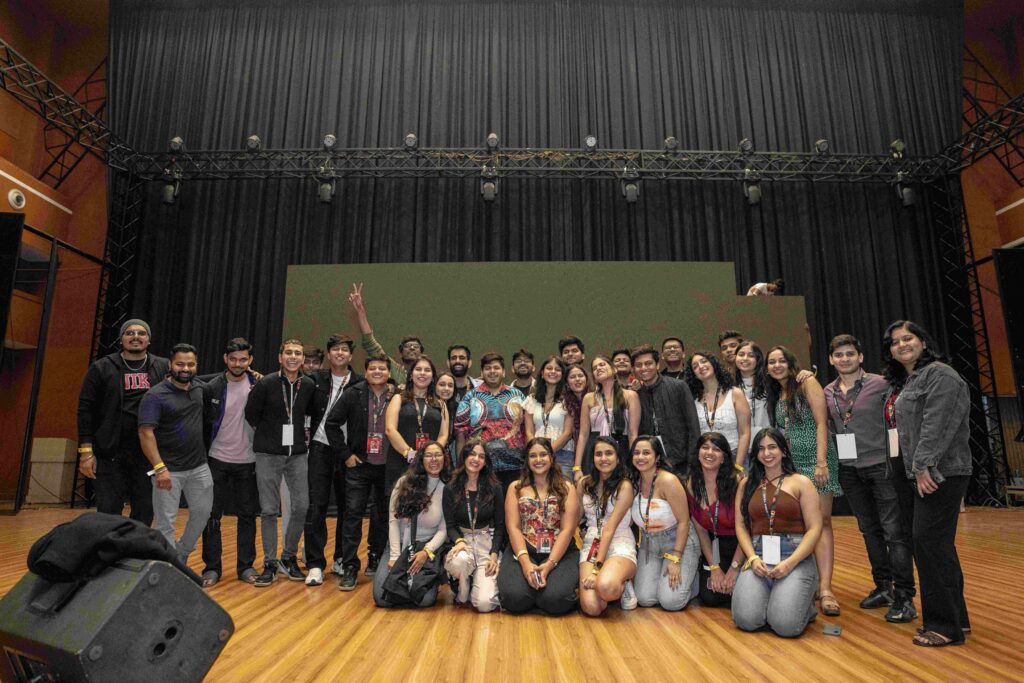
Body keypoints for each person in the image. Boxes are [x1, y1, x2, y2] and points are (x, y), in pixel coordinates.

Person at [884, 320, 971, 647]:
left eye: (908, 338)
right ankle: (957, 619)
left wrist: (923, 466)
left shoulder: (940, 375)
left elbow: (937, 424)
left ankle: (944, 627)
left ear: (923, 341)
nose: (901, 345)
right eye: (895, 342)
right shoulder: (909, 381)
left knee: (929, 544)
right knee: (937, 547)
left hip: (939, 472)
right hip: (916, 472)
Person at [824, 334, 916, 623]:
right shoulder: (827, 392)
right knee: (869, 530)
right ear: (831, 360)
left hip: (882, 467)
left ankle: (904, 596)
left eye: (850, 353)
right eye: (839, 355)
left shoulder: (882, 383)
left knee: (894, 532)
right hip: (849, 469)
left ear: (860, 356)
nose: (845, 359)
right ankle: (883, 587)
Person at [766, 345, 842, 617]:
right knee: (801, 524)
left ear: (790, 363)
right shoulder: (777, 392)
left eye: (781, 360)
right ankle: (808, 581)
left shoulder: (807, 382)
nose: (776, 365)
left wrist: (821, 462)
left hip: (816, 460)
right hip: (792, 465)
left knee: (822, 522)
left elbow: (822, 423)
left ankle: (826, 589)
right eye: (771, 362)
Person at [732, 428, 823, 637]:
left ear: (783, 450)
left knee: (785, 626)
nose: (767, 453)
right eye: (761, 448)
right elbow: (741, 526)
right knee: (746, 620)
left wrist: (790, 563)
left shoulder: (801, 482)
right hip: (759, 556)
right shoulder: (746, 484)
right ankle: (778, 602)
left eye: (772, 447)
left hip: (795, 557)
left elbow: (815, 528)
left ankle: (804, 606)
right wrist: (752, 558)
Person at [77, 318, 168, 525]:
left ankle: (136, 546)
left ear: (149, 340)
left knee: (145, 512)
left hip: (147, 454)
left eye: (141, 333)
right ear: (121, 339)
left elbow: (188, 385)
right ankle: (110, 547)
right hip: (110, 452)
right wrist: (86, 452)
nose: (135, 337)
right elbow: (85, 410)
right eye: (129, 333)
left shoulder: (163, 367)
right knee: (108, 513)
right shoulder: (102, 367)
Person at [244, 338, 316, 586]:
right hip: (268, 454)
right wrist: (270, 436)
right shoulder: (266, 383)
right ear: (280, 357)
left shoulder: (308, 385)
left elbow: (311, 414)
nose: (293, 357)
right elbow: (251, 414)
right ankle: (269, 563)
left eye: (298, 353)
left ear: (302, 359)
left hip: (297, 455)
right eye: (289, 353)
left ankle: (288, 556)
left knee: (301, 506)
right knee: (268, 510)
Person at [137, 343, 212, 564]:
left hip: (199, 468)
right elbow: (145, 433)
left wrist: (252, 373)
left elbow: (222, 378)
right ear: (170, 365)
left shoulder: (200, 389)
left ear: (196, 365)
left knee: (203, 514)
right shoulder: (155, 395)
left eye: (190, 364)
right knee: (165, 523)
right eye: (180, 364)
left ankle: (181, 552)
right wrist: (159, 468)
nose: (185, 368)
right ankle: (171, 568)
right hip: (167, 470)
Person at [325, 354, 394, 590]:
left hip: (387, 467)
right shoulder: (353, 393)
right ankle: (350, 566)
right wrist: (345, 454)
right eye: (372, 368)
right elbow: (331, 424)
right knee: (352, 516)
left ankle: (377, 557)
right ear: (365, 372)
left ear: (389, 373)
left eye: (382, 368)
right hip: (359, 466)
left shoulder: (396, 396)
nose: (377, 372)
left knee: (383, 516)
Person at [200, 337, 260, 587]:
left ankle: (246, 566)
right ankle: (212, 567)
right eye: (233, 359)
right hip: (216, 460)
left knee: (247, 516)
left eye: (243, 359)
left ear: (250, 360)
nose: (237, 364)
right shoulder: (211, 387)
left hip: (249, 461)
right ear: (225, 359)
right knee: (211, 516)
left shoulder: (259, 385)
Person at [497, 437, 580, 615]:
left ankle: (541, 594)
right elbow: (513, 527)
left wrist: (549, 565)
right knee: (513, 599)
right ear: (527, 460)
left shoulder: (567, 488)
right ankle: (533, 592)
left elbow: (567, 530)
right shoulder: (515, 488)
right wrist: (526, 564)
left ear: (551, 458)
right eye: (533, 456)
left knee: (556, 600)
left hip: (559, 551)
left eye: (543, 454)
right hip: (524, 549)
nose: (538, 459)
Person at [303, 333, 362, 586]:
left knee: (347, 510)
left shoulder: (360, 383)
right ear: (328, 354)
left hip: (348, 453)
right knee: (316, 507)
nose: (340, 353)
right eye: (335, 349)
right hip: (320, 448)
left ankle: (341, 558)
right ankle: (315, 564)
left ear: (351, 355)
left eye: (344, 349)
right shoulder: (315, 380)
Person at [372, 441, 448, 608]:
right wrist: (394, 556)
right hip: (399, 545)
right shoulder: (403, 483)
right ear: (421, 459)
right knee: (381, 598)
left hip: (425, 548)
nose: (434, 459)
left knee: (425, 601)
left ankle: (430, 580)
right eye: (429, 455)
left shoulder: (447, 489)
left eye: (438, 455)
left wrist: (427, 552)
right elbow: (393, 522)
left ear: (444, 458)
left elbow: (443, 530)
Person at [630, 435, 699, 610]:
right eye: (636, 453)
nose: (640, 457)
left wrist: (676, 558)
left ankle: (692, 576)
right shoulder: (634, 481)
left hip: (677, 542)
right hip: (649, 544)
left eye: (646, 453)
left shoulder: (668, 480)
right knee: (644, 599)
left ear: (657, 457)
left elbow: (684, 522)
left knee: (671, 602)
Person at [443, 440, 505, 612]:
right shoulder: (451, 488)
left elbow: (500, 526)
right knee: (460, 560)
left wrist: (494, 553)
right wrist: (459, 541)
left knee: (484, 605)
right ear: (464, 457)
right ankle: (463, 586)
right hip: (462, 543)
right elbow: (450, 525)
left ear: (485, 462)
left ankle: (476, 584)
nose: (476, 459)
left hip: (486, 543)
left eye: (481, 456)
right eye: (472, 454)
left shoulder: (495, 488)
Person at [578, 437, 637, 616]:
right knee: (591, 607)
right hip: (592, 543)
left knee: (606, 587)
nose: (603, 458)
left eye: (609, 453)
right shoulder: (584, 483)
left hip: (619, 540)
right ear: (593, 458)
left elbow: (610, 528)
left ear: (618, 458)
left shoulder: (625, 485)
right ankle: (608, 581)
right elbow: (574, 518)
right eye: (599, 454)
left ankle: (623, 582)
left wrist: (596, 569)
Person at [454, 352, 527, 492]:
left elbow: (527, 429)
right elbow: (460, 433)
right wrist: (461, 465)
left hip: (515, 465)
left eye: (496, 368)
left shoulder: (517, 395)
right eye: (487, 368)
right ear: (481, 372)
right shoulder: (470, 397)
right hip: (480, 465)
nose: (492, 371)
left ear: (503, 372)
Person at [687, 432, 743, 607]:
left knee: (738, 596)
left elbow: (747, 530)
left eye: (716, 449)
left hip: (740, 545)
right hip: (713, 545)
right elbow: (701, 531)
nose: (709, 453)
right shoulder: (692, 483)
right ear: (698, 453)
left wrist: (734, 568)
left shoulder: (738, 482)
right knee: (711, 597)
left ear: (724, 457)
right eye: (705, 447)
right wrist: (714, 567)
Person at [384, 355, 449, 498]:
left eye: (427, 370)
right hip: (401, 461)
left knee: (428, 505)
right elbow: (390, 429)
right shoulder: (398, 398)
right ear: (411, 374)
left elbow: (443, 435)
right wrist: (409, 454)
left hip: (430, 465)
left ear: (433, 377)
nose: (422, 373)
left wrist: (432, 455)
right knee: (399, 505)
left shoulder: (441, 404)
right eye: (418, 369)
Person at [632, 344, 701, 476]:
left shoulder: (678, 386)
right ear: (634, 369)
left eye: (648, 363)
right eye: (639, 365)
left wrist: (692, 466)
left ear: (657, 365)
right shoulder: (636, 395)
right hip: (650, 465)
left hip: (681, 464)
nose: (644, 368)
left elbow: (693, 428)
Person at [574, 355, 640, 480]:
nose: (598, 368)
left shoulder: (630, 396)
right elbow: (583, 434)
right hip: (594, 451)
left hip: (622, 449)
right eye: (595, 368)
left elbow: (633, 434)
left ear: (614, 369)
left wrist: (634, 462)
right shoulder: (589, 398)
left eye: (602, 364)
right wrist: (577, 467)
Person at [348, 282, 423, 387]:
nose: (412, 348)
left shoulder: (429, 373)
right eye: (407, 346)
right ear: (400, 353)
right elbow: (371, 343)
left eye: (416, 346)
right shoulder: (393, 369)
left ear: (422, 353)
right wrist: (361, 312)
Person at [685, 351, 751, 466]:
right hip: (705, 459)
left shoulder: (735, 393)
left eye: (704, 361)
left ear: (714, 364)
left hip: (733, 456)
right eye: (695, 366)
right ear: (694, 374)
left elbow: (744, 433)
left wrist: (738, 466)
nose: (700, 366)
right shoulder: (693, 399)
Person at [523, 356, 575, 478]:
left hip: (563, 455)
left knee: (563, 489)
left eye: (557, 369)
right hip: (537, 457)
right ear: (542, 373)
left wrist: (547, 452)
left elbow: (568, 433)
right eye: (549, 368)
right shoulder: (531, 399)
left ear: (562, 375)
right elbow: (529, 432)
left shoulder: (569, 399)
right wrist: (538, 452)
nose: (553, 372)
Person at [734, 341, 771, 434]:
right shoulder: (730, 385)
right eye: (741, 355)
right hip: (741, 438)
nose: (745, 358)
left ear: (758, 359)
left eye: (751, 355)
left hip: (767, 437)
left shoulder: (769, 382)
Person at [434, 371, 459, 466]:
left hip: (446, 457)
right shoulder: (427, 407)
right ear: (434, 386)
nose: (446, 388)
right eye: (442, 385)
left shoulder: (457, 409)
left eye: (450, 386)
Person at [563, 363, 591, 448]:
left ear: (586, 379)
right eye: (572, 377)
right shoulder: (565, 404)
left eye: (580, 376)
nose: (577, 379)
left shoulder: (595, 399)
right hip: (576, 449)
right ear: (567, 383)